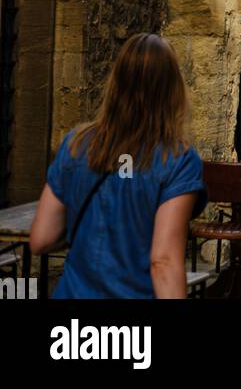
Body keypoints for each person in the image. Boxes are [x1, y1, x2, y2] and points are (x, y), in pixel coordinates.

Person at [29, 33, 206, 298]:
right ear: (172, 89)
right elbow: (164, 262)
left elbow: (41, 238)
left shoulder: (75, 145)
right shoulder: (177, 160)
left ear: (116, 83)